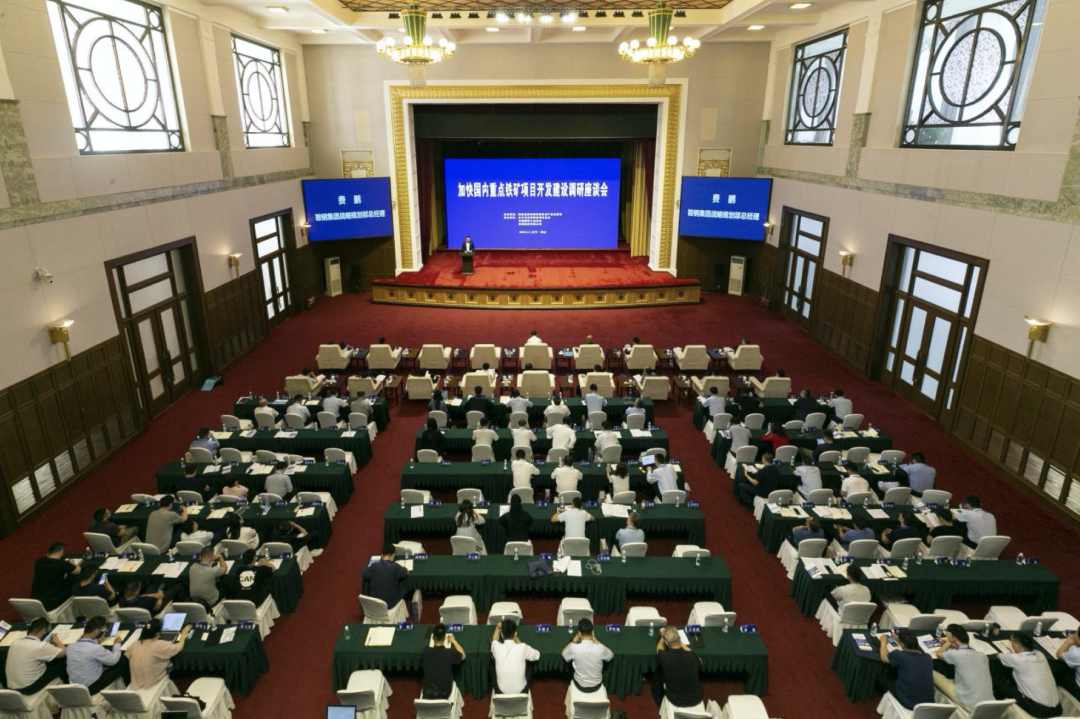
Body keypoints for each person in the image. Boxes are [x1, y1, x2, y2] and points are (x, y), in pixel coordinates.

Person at [994, 632, 1063, 717]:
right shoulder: (1040, 654)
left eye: (1011, 641)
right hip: (1057, 709)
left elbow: (998, 656)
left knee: (998, 683)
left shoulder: (1017, 659)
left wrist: (1012, 653)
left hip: (1039, 709)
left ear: (1018, 646)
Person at [932, 624, 994, 710]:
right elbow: (965, 650)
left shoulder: (956, 655)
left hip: (968, 703)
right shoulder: (983, 656)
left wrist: (949, 642)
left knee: (932, 672)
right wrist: (952, 643)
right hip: (989, 703)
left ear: (952, 637)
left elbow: (938, 653)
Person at [126, 618, 192, 691]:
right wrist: (184, 633)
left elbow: (127, 654)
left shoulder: (136, 643)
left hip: (136, 681)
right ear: (157, 633)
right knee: (171, 662)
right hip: (152, 681)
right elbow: (178, 647)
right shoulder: (159, 645)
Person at [4, 617, 66, 693]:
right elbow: (63, 653)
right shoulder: (40, 646)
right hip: (29, 687)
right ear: (43, 630)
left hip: (11, 687)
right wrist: (57, 641)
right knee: (62, 663)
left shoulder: (15, 642)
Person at [65, 616, 125, 694]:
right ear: (96, 631)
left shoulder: (70, 647)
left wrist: (98, 641)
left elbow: (85, 647)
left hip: (75, 685)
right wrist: (117, 644)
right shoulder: (95, 649)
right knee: (123, 660)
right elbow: (114, 660)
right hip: (91, 687)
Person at [877, 629, 934, 710]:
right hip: (928, 702)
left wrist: (883, 642)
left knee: (882, 676)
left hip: (909, 702)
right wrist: (900, 640)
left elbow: (884, 658)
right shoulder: (928, 657)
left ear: (903, 644)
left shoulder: (899, 655)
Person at [652, 625, 703, 709]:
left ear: (666, 642)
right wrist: (678, 641)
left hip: (676, 700)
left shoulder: (664, 657)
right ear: (679, 637)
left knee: (658, 676)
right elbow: (691, 652)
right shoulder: (692, 657)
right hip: (696, 699)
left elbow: (659, 649)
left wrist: (663, 636)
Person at [561, 619, 613, 693]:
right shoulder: (600, 648)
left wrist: (573, 641)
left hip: (579, 685)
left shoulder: (574, 648)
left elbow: (563, 654)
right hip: (597, 685)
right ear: (592, 632)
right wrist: (596, 641)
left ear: (579, 633)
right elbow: (611, 655)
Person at [492, 619, 539, 694]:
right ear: (515, 634)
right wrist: (518, 641)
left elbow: (494, 640)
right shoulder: (523, 647)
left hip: (501, 690)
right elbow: (537, 655)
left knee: (492, 666)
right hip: (521, 690)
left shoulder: (496, 647)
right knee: (530, 664)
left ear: (502, 635)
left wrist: (498, 626)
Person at [421, 624, 466, 700]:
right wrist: (454, 641)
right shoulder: (449, 652)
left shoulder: (426, 650)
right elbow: (463, 656)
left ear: (433, 637)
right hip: (444, 693)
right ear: (445, 638)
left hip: (427, 692)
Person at [361, 543, 408, 613]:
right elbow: (405, 572)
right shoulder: (395, 567)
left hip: (375, 602)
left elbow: (363, 574)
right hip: (390, 604)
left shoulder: (374, 566)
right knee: (403, 588)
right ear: (393, 555)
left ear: (382, 555)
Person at [31, 542, 78, 611]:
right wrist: (72, 564)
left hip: (35, 600)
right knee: (74, 576)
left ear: (48, 554)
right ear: (61, 552)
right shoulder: (63, 564)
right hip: (51, 602)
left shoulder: (39, 561)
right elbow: (78, 571)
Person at [1055, 632, 1080, 697]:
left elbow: (1059, 655)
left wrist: (1067, 643)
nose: (1073, 635)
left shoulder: (1076, 653)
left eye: (1076, 634)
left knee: (1057, 666)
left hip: (1078, 689)